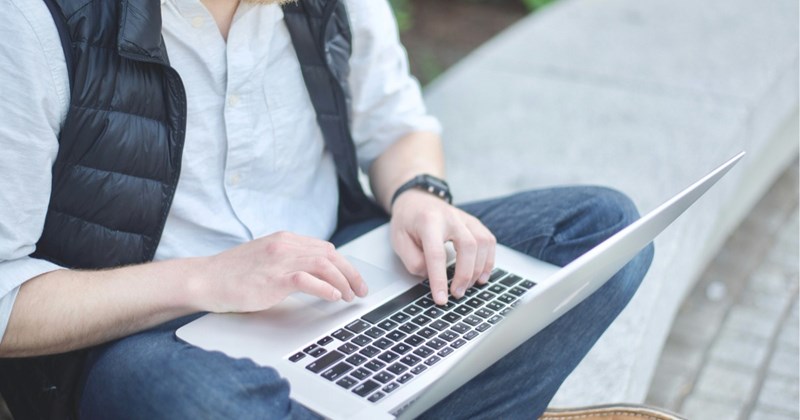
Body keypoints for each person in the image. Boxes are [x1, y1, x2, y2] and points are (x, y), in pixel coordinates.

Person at [0, 0, 653, 418]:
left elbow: (396, 122)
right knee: (199, 404)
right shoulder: (35, 23)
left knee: (601, 232)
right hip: (156, 331)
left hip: (342, 275)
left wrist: (420, 194)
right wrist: (206, 279)